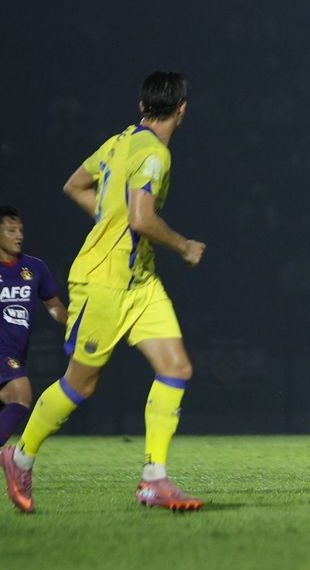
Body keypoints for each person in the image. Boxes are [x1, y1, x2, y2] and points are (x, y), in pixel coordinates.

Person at [1, 72, 207, 514]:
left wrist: (108, 216)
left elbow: (75, 184)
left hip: (141, 282)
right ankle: (19, 457)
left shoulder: (119, 142)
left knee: (177, 368)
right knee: (81, 385)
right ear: (183, 108)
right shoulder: (154, 155)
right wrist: (185, 245)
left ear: (141, 104)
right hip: (103, 283)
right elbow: (141, 221)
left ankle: (154, 479)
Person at [0, 206, 68, 447]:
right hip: (2, 354)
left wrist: (73, 324)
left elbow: (54, 305)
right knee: (20, 395)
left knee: (12, 399)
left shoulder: (34, 268)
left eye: (20, 230)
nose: (19, 235)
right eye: (11, 230)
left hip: (17, 353)